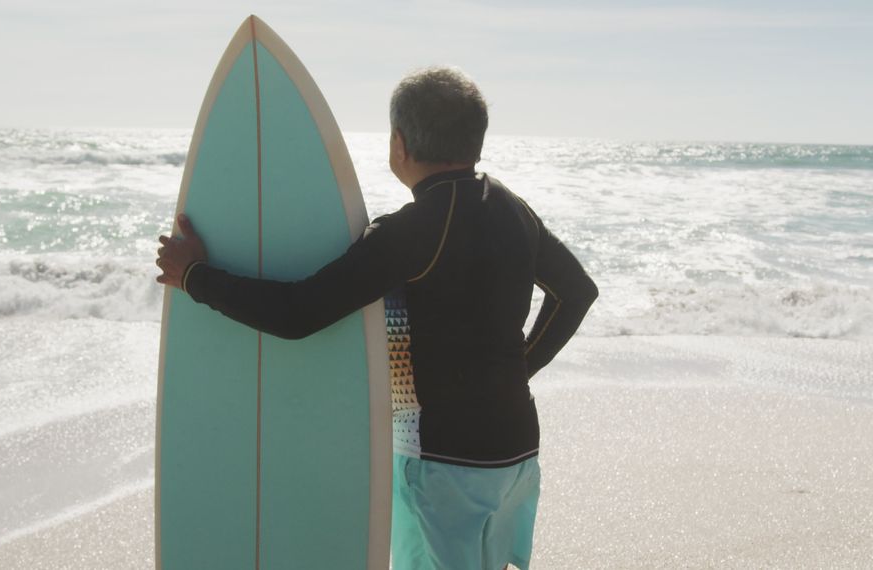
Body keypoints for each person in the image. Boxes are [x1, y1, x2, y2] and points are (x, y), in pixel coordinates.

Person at [156, 67, 597, 570]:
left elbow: (299, 314)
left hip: (445, 463)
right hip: (517, 452)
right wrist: (520, 367)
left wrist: (195, 276)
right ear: (477, 140)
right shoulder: (515, 209)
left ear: (398, 145)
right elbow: (577, 293)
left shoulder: (411, 231)